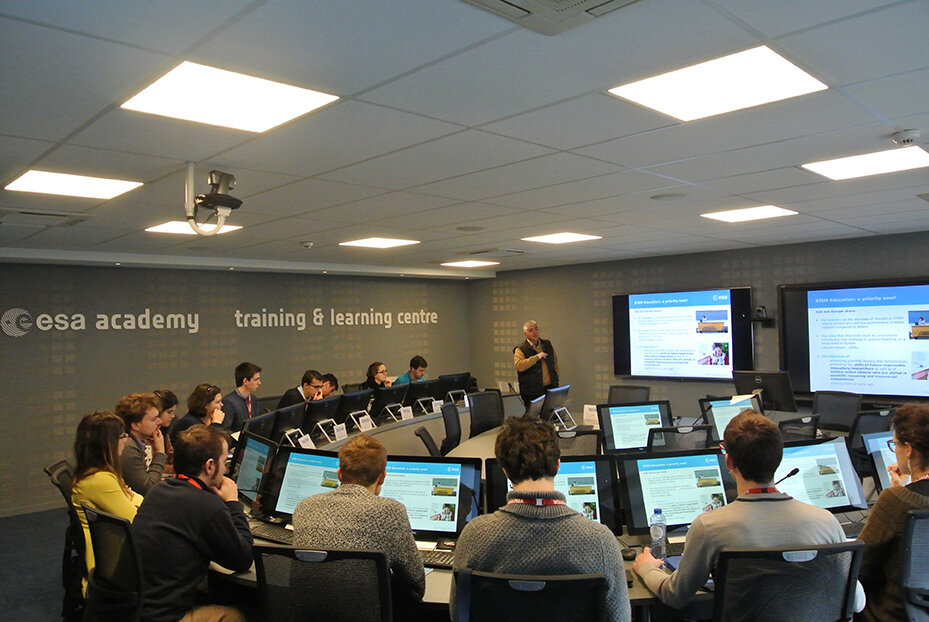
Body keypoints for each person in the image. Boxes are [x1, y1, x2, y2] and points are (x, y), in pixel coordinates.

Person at [633, 411, 864, 612]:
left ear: (729, 462)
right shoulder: (825, 521)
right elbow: (857, 602)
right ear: (778, 458)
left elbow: (675, 596)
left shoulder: (710, 526)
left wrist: (645, 568)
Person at [451, 415, 630, 622]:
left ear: (505, 471)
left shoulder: (475, 534)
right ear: (558, 466)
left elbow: (459, 613)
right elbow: (620, 619)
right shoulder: (599, 539)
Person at [292, 434, 424, 617]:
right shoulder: (391, 511)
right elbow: (416, 585)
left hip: (307, 614)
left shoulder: (304, 506)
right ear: (382, 477)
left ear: (339, 474)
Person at [133, 424, 253, 622]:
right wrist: (233, 503)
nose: (225, 469)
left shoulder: (159, 490)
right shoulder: (207, 506)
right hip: (165, 616)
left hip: (136, 607)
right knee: (239, 615)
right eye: (224, 462)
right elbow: (242, 559)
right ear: (209, 466)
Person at [857, 403, 929, 622]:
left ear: (908, 449)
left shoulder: (896, 500)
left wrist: (895, 494)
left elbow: (859, 567)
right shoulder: (900, 497)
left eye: (895, 444)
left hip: (893, 614)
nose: (895, 449)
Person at [71, 410, 143, 585]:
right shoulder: (101, 480)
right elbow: (138, 521)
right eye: (122, 436)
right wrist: (131, 497)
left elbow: (135, 498)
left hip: (110, 555)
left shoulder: (93, 472)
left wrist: (131, 497)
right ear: (107, 444)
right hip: (115, 564)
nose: (125, 441)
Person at [115, 392, 166, 495]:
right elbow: (148, 489)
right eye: (154, 419)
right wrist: (159, 453)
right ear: (136, 425)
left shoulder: (134, 443)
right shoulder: (127, 447)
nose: (160, 421)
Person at [513, 320, 559, 407]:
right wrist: (537, 357)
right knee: (533, 418)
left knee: (550, 416)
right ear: (525, 334)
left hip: (550, 388)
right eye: (531, 330)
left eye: (536, 329)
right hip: (531, 391)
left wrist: (556, 377)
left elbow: (555, 362)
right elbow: (519, 366)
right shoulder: (520, 349)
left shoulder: (547, 344)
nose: (535, 332)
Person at [221, 362, 261, 433]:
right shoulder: (228, 402)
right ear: (245, 381)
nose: (259, 383)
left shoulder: (253, 399)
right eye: (256, 380)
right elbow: (225, 430)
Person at [153, 389, 178, 473]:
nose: (173, 416)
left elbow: (170, 458)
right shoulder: (148, 436)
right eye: (169, 412)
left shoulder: (164, 432)